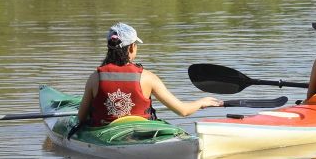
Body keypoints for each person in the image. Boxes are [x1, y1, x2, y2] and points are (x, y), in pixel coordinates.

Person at [76, 22, 222, 127]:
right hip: (142, 132)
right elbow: (183, 111)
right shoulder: (148, 78)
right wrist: (202, 102)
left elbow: (80, 119)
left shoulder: (95, 78)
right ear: (132, 47)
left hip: (104, 133)